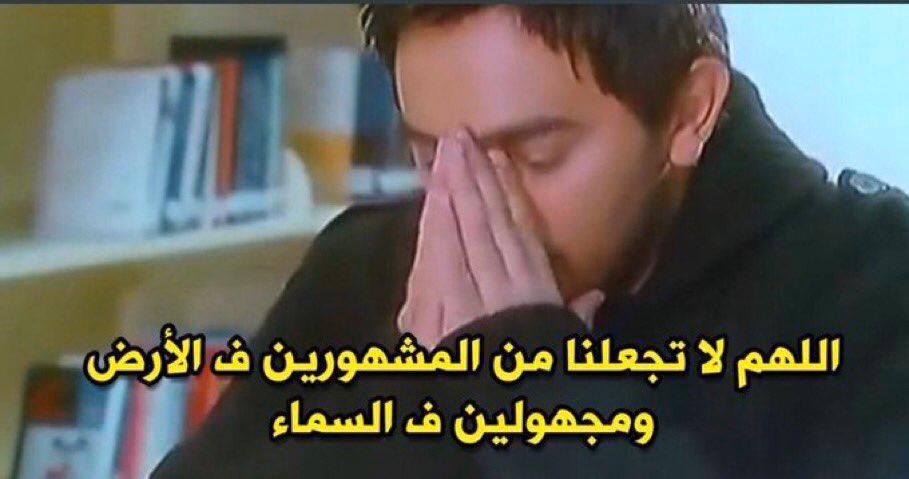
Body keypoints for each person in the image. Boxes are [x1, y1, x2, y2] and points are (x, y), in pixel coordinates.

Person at [154, 5, 909, 477]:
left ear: (689, 112)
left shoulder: (873, 283)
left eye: (535, 153)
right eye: (431, 155)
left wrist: (533, 385)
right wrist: (417, 392)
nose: (477, 205)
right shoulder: (369, 261)